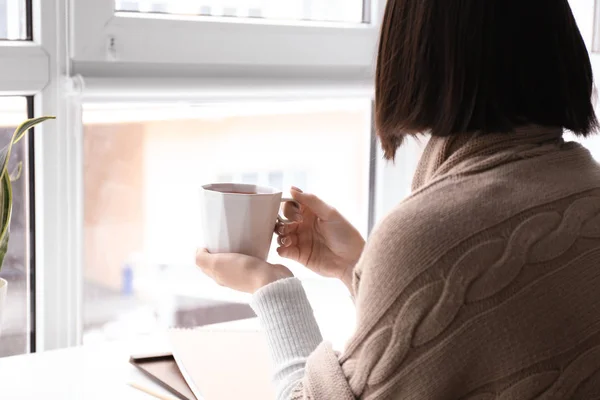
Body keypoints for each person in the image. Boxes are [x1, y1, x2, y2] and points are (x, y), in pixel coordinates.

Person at [195, 0, 600, 398]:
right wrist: (357, 266)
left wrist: (271, 285)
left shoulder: (431, 236)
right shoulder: (585, 190)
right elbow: (482, 335)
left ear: (417, 49)